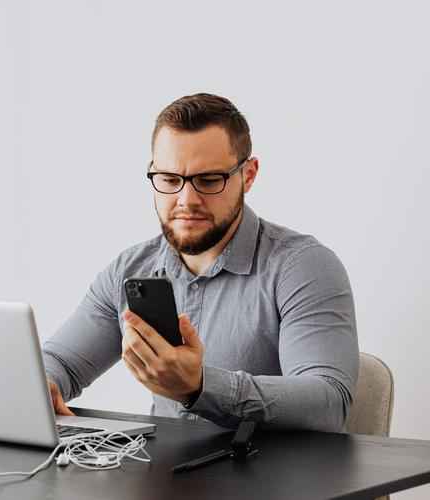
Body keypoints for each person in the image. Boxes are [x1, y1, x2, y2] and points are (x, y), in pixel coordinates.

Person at [42, 93, 358, 432]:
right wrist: (45, 384)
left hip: (273, 480)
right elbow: (60, 363)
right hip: (164, 481)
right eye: (169, 179)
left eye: (208, 181)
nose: (186, 200)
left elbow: (329, 402)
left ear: (248, 175)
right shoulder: (129, 271)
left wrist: (200, 386)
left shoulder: (303, 266)